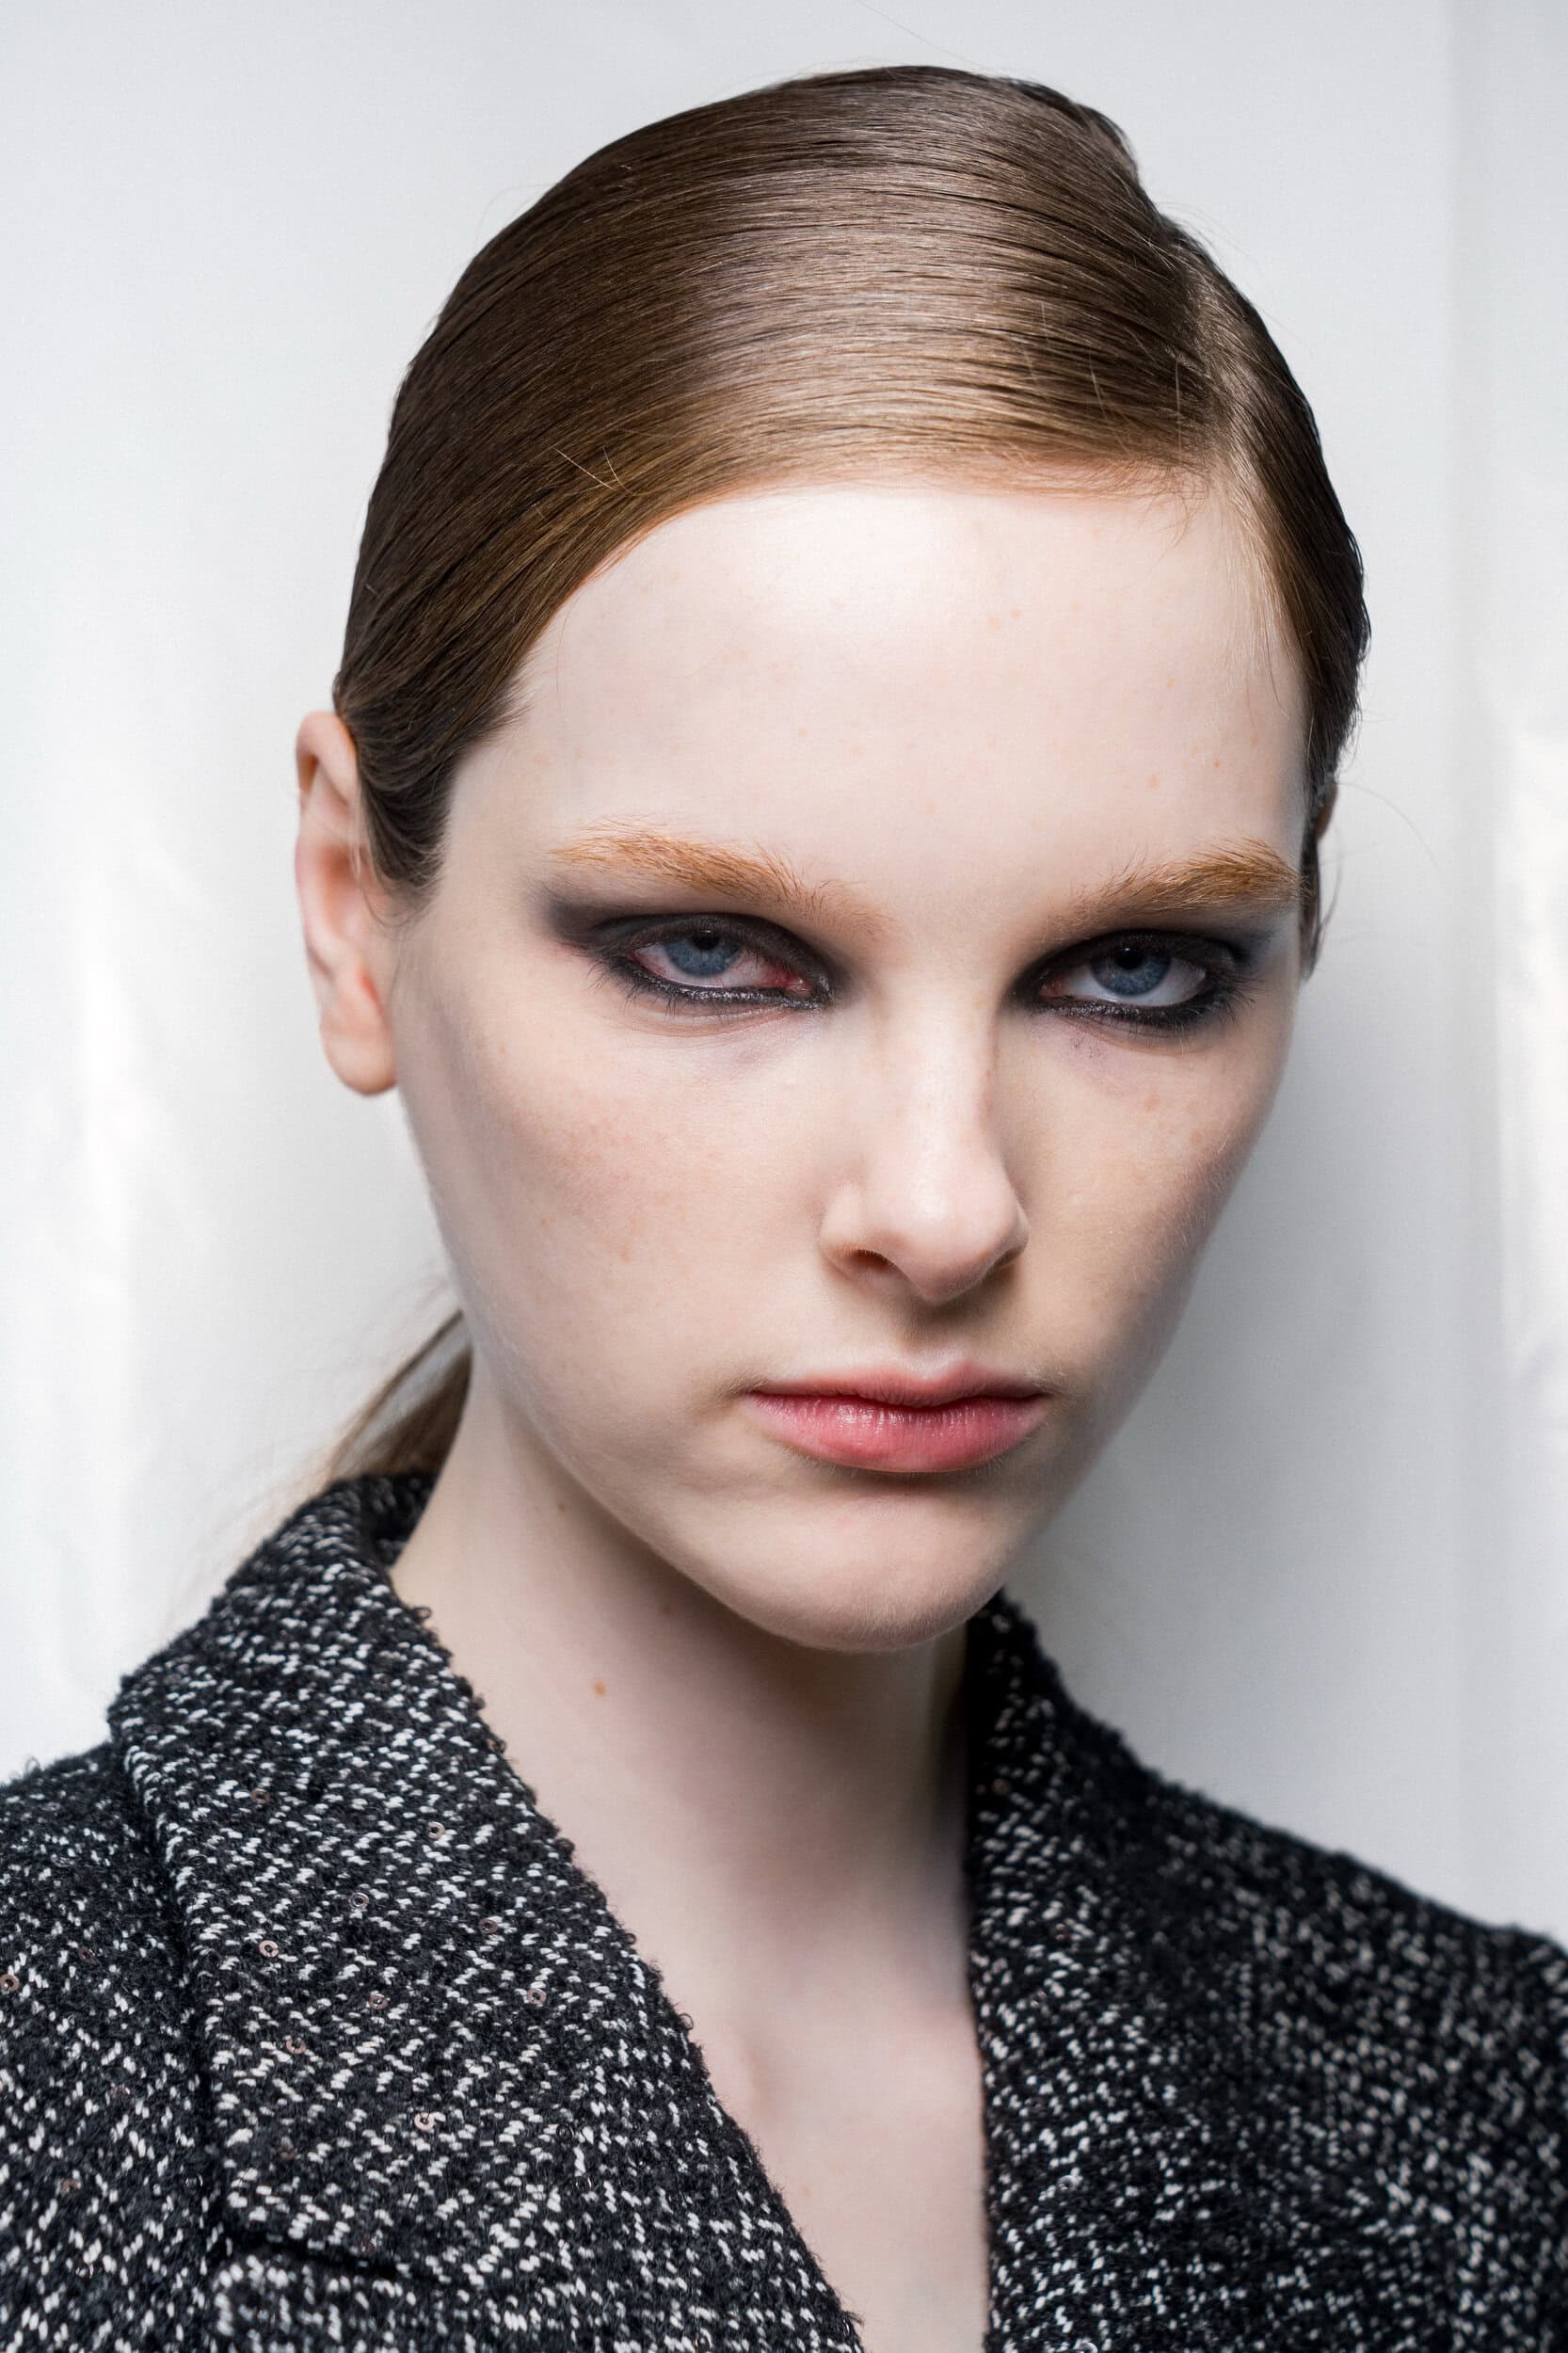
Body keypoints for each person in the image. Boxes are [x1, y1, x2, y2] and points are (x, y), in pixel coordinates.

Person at [2, 60, 1564, 2353]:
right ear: (351, 907)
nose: (941, 1209)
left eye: (1135, 969)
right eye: (710, 953)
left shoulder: (1501, 2126)